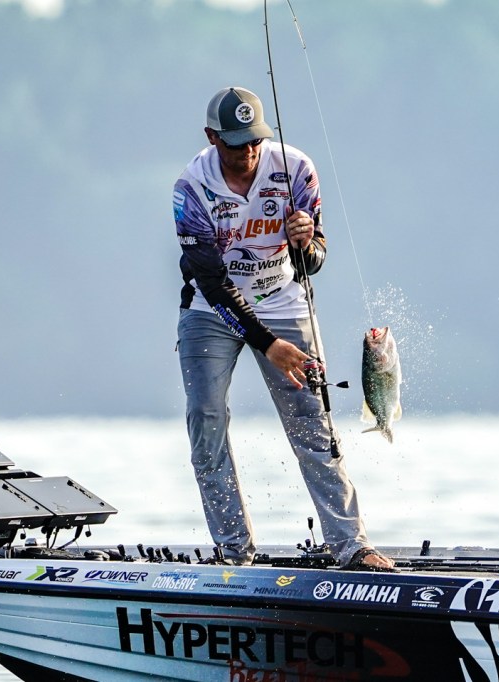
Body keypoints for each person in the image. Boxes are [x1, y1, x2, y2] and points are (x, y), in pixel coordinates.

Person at [171, 86, 395, 572]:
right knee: (206, 420)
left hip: (283, 300)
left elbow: (313, 260)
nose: (248, 153)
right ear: (212, 137)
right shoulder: (190, 189)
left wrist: (305, 243)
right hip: (211, 309)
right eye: (236, 144)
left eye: (255, 141)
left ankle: (351, 546)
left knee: (313, 424)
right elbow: (212, 283)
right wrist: (268, 344)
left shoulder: (296, 169)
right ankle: (234, 551)